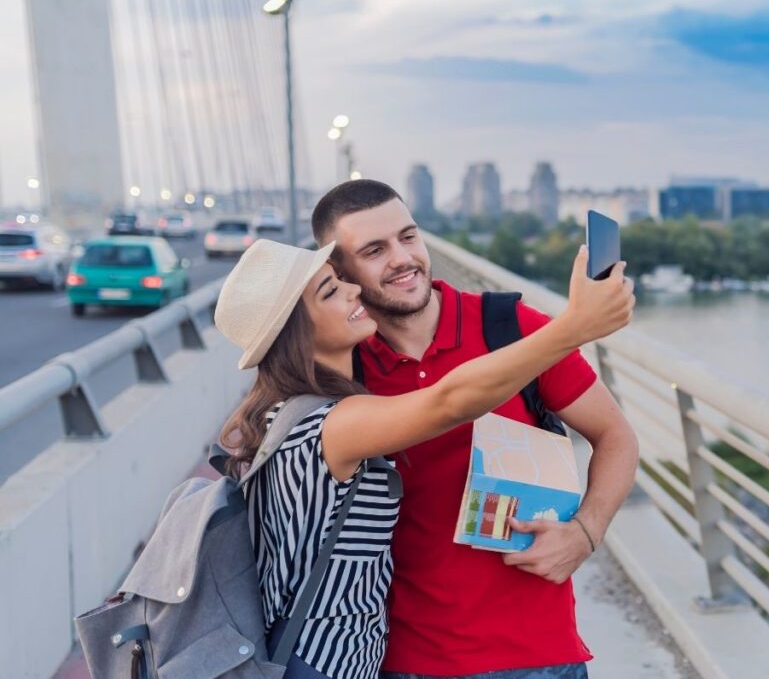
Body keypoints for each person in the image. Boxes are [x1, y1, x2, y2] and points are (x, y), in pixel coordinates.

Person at [214, 236, 634, 679]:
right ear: (297, 332)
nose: (354, 290)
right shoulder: (328, 425)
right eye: (331, 291)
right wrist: (573, 327)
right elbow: (449, 402)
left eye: (340, 280)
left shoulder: (295, 413)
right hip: (327, 664)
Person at [311, 180, 640, 679]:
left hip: (539, 654)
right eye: (375, 250)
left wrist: (586, 532)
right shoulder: (343, 372)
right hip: (407, 660)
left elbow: (616, 436)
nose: (403, 259)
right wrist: (575, 323)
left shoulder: (510, 327)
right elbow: (451, 401)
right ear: (339, 272)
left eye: (409, 236)